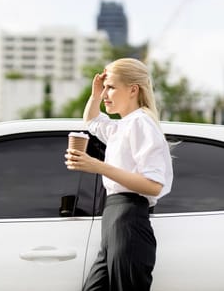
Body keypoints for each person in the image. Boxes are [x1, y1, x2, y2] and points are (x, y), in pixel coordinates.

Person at [65, 57, 173, 291]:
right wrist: (95, 93)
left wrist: (98, 166)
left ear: (133, 89)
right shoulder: (122, 126)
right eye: (105, 88)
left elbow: (154, 184)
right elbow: (92, 120)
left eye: (111, 87)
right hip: (113, 221)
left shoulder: (142, 123)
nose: (105, 95)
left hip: (129, 219)